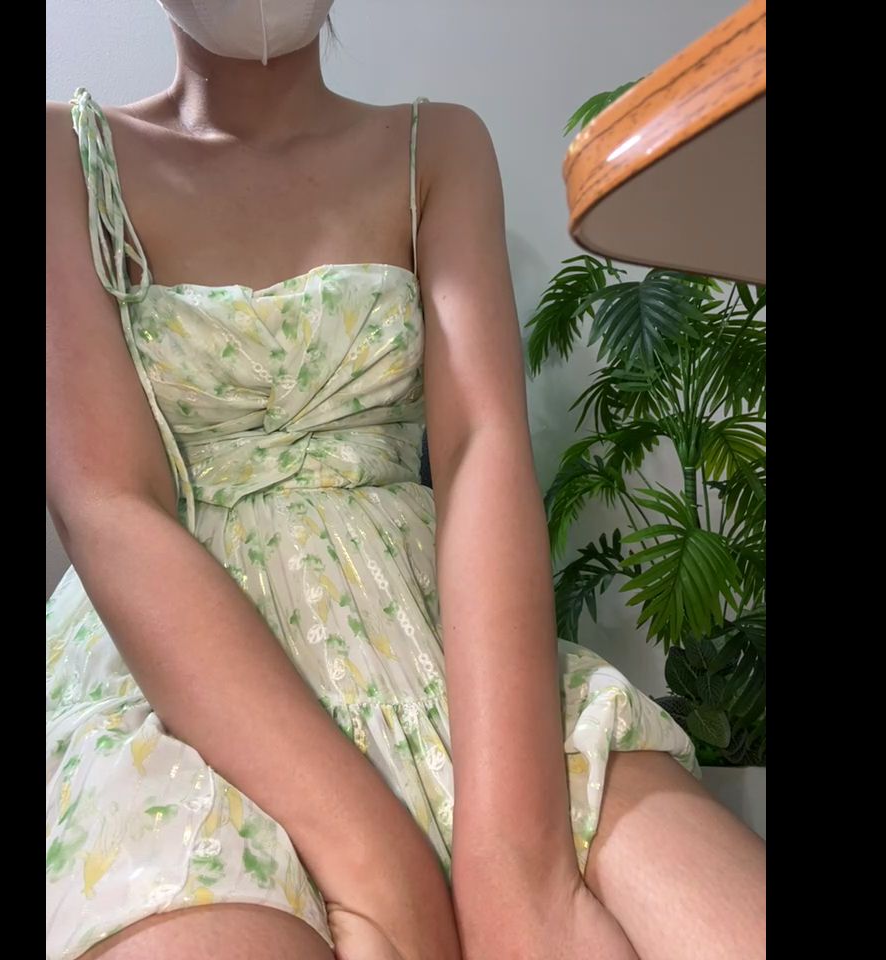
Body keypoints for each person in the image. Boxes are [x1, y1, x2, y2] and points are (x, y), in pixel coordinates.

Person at [45, 2, 767, 958]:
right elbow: (105, 500)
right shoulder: (66, 157)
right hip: (179, 681)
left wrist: (518, 865)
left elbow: (480, 453)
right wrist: (382, 870)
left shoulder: (438, 147)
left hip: (447, 648)